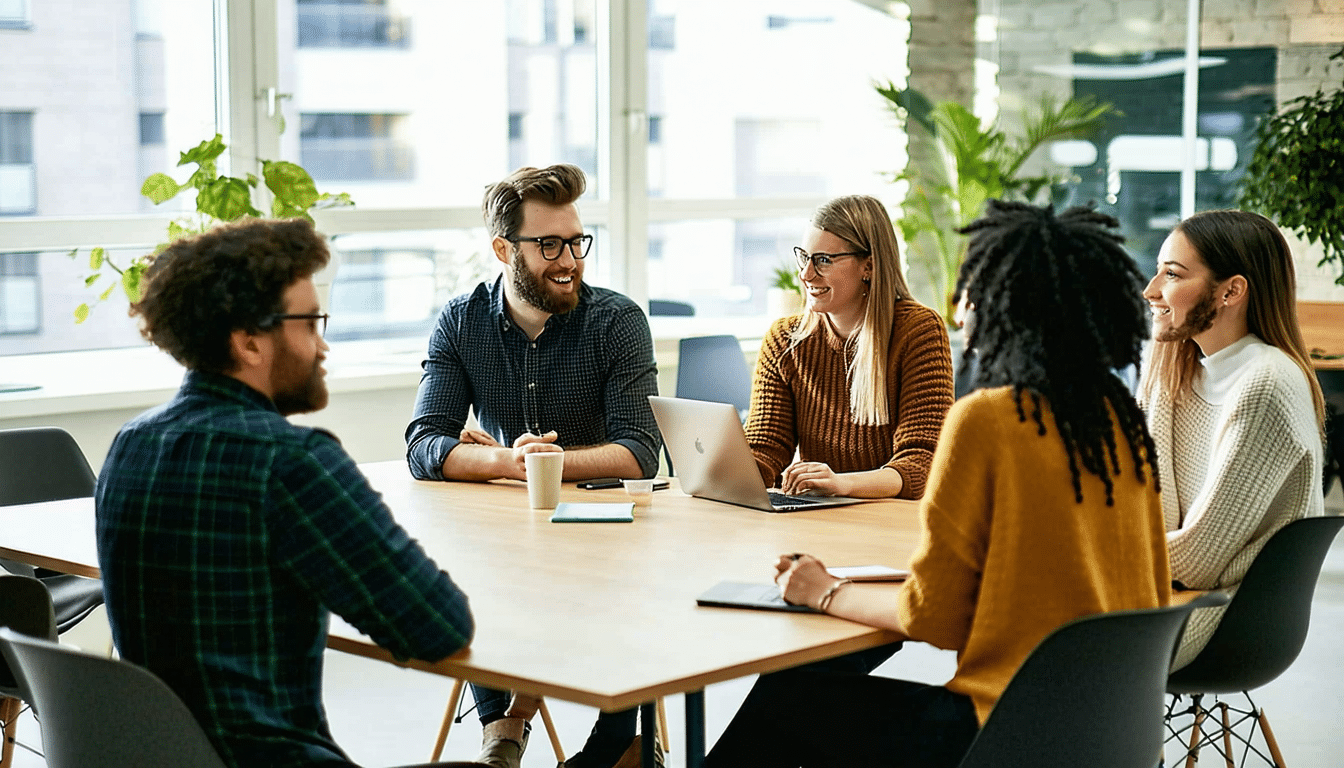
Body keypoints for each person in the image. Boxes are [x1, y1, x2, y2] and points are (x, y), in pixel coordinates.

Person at [705, 200, 1171, 768]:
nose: (962, 305)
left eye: (974, 288)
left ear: (1005, 307)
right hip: (1117, 731)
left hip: (1001, 732)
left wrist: (821, 589)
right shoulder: (1118, 421)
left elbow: (936, 616)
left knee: (789, 698)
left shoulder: (988, 421)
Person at [95, 218, 475, 768]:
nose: (322, 345)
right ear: (248, 340)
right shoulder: (289, 460)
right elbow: (436, 626)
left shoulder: (130, 445)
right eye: (310, 323)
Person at [405, 164, 661, 768]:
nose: (569, 259)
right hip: (509, 531)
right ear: (503, 249)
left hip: (604, 529)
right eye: (549, 245)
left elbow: (639, 450)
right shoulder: (461, 322)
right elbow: (423, 443)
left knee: (636, 573)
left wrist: (549, 463)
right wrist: (507, 461)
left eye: (576, 241)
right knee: (470, 557)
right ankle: (502, 727)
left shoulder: (617, 321)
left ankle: (614, 746)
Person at [1138, 209, 1325, 669]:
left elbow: (1198, 560)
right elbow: (1145, 510)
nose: (1151, 290)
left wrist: (1089, 552)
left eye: (1173, 274)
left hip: (1223, 617)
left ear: (1231, 291)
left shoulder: (1267, 383)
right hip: (1161, 594)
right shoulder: (1171, 374)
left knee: (1029, 619)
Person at [747, 194, 953, 499]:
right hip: (819, 521)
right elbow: (765, 450)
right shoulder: (784, 340)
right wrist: (720, 471)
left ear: (868, 266)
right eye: (805, 257)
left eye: (824, 261)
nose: (806, 275)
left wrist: (843, 484)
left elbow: (922, 463)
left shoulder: (919, 332)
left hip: (893, 525)